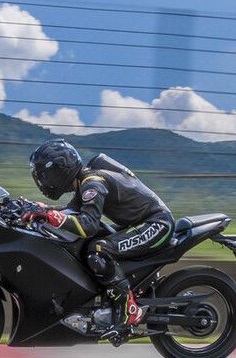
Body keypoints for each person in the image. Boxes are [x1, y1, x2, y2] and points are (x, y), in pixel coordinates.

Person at [23, 138, 175, 336]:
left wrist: (50, 216)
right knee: (91, 244)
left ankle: (128, 309)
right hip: (138, 223)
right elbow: (71, 211)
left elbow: (88, 225)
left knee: (99, 250)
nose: (45, 181)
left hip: (157, 224)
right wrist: (42, 209)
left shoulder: (92, 182)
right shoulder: (84, 183)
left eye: (47, 175)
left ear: (61, 169)